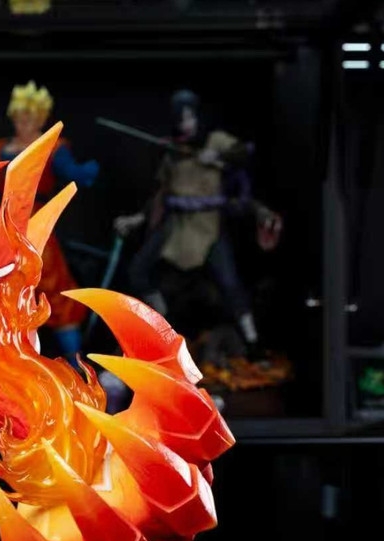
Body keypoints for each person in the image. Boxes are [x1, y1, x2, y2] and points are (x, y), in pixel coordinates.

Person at [115, 89, 280, 361]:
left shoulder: (216, 140)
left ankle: (253, 342)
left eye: (189, 118)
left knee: (230, 283)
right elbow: (161, 194)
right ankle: (165, 331)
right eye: (180, 120)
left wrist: (217, 156)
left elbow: (245, 151)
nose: (186, 125)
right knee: (138, 272)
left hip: (207, 225)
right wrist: (138, 219)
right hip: (177, 225)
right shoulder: (173, 151)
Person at [0, 82, 100, 362]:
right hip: (4, 226)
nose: (24, 124)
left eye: (31, 118)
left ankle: (77, 365)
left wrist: (88, 170)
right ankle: (0, 359)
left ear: (41, 119)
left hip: (36, 226)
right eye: (20, 118)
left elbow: (74, 174)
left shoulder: (53, 147)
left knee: (53, 290)